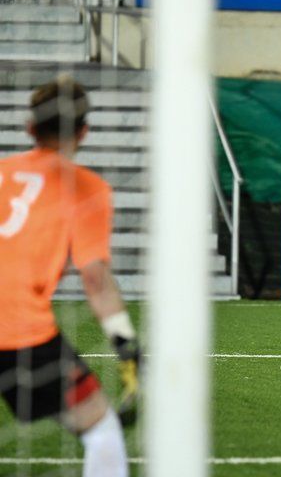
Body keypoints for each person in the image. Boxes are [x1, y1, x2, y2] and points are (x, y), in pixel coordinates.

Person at [0, 77, 140, 475]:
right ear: (83, 131)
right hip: (19, 334)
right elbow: (95, 280)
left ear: (30, 128)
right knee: (101, 429)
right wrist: (126, 345)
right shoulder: (86, 187)